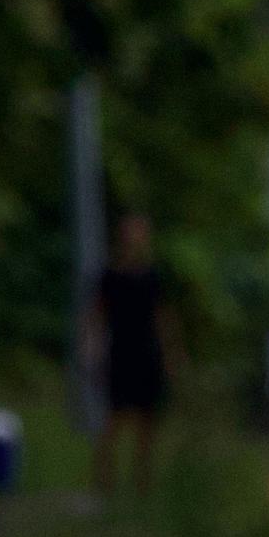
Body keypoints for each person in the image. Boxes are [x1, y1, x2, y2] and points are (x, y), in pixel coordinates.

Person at [87, 212, 179, 498]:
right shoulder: (110, 275)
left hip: (146, 351)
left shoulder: (153, 276)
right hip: (120, 351)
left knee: (147, 421)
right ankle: (105, 480)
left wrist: (171, 353)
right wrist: (92, 348)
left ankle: (142, 482)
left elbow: (163, 316)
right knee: (115, 419)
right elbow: (96, 315)